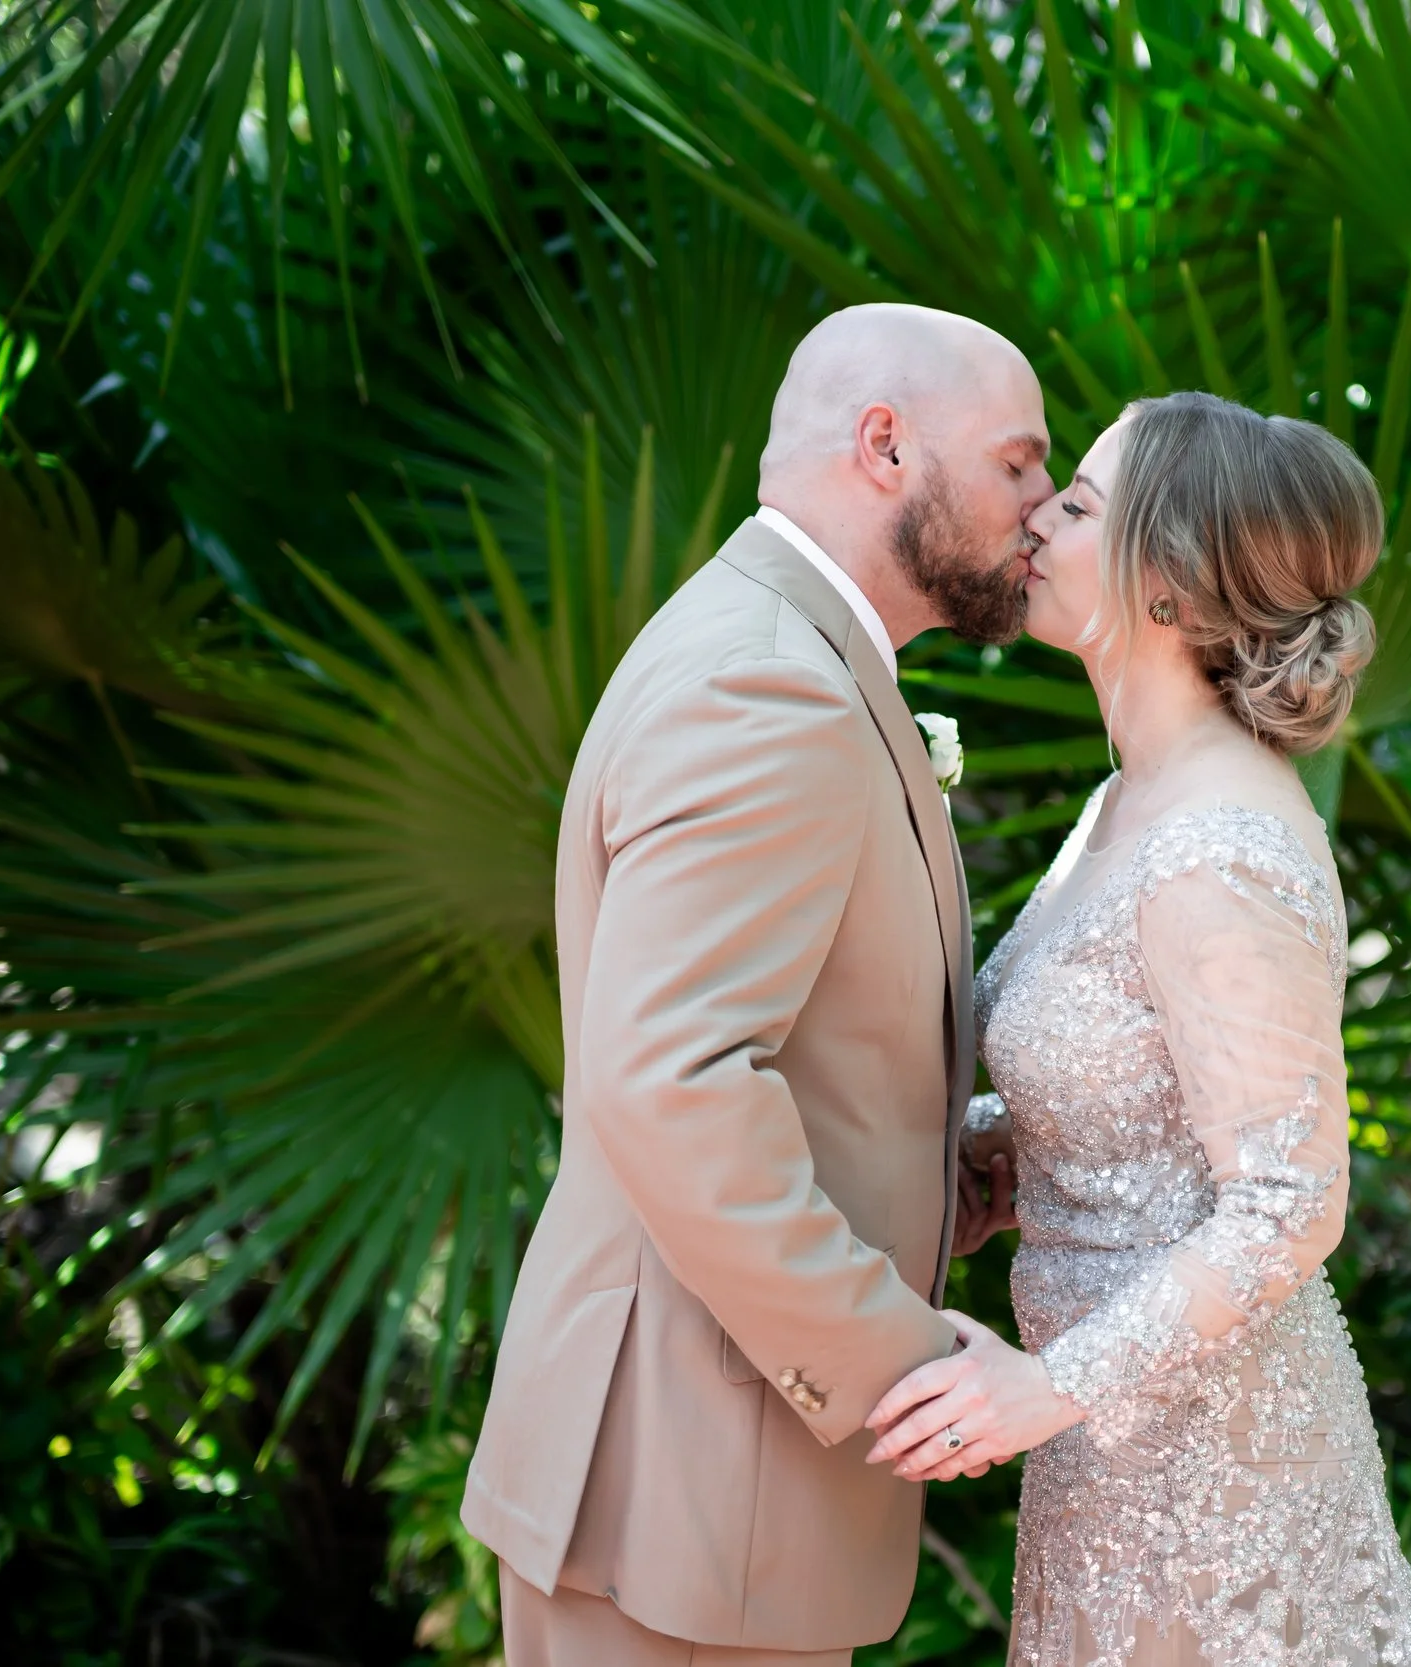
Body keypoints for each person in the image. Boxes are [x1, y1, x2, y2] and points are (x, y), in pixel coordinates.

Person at [461, 302, 1050, 1666]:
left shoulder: (794, 656)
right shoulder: (765, 683)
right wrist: (905, 1366)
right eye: (1019, 461)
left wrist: (938, 1165)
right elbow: (674, 1082)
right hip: (683, 1497)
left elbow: (773, 1049)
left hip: (703, 1496)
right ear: (887, 445)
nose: (1045, 501)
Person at [862, 392, 1411, 1665]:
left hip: (1213, 1470)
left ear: (1171, 587)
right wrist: (978, 1161)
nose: (1035, 519)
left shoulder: (1215, 843)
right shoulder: (1131, 795)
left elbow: (1290, 1201)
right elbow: (1139, 1113)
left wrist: (1046, 1385)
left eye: (1075, 504)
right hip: (1112, 1454)